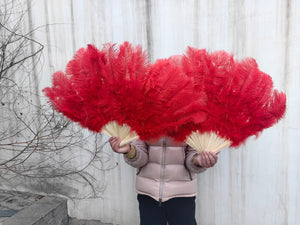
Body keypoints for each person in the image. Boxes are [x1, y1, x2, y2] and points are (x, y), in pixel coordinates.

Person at [109, 136, 218, 225]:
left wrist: (198, 161)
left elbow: (191, 157)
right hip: (149, 193)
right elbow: (140, 159)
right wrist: (129, 151)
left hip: (182, 195)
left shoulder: (190, 117)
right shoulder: (145, 117)